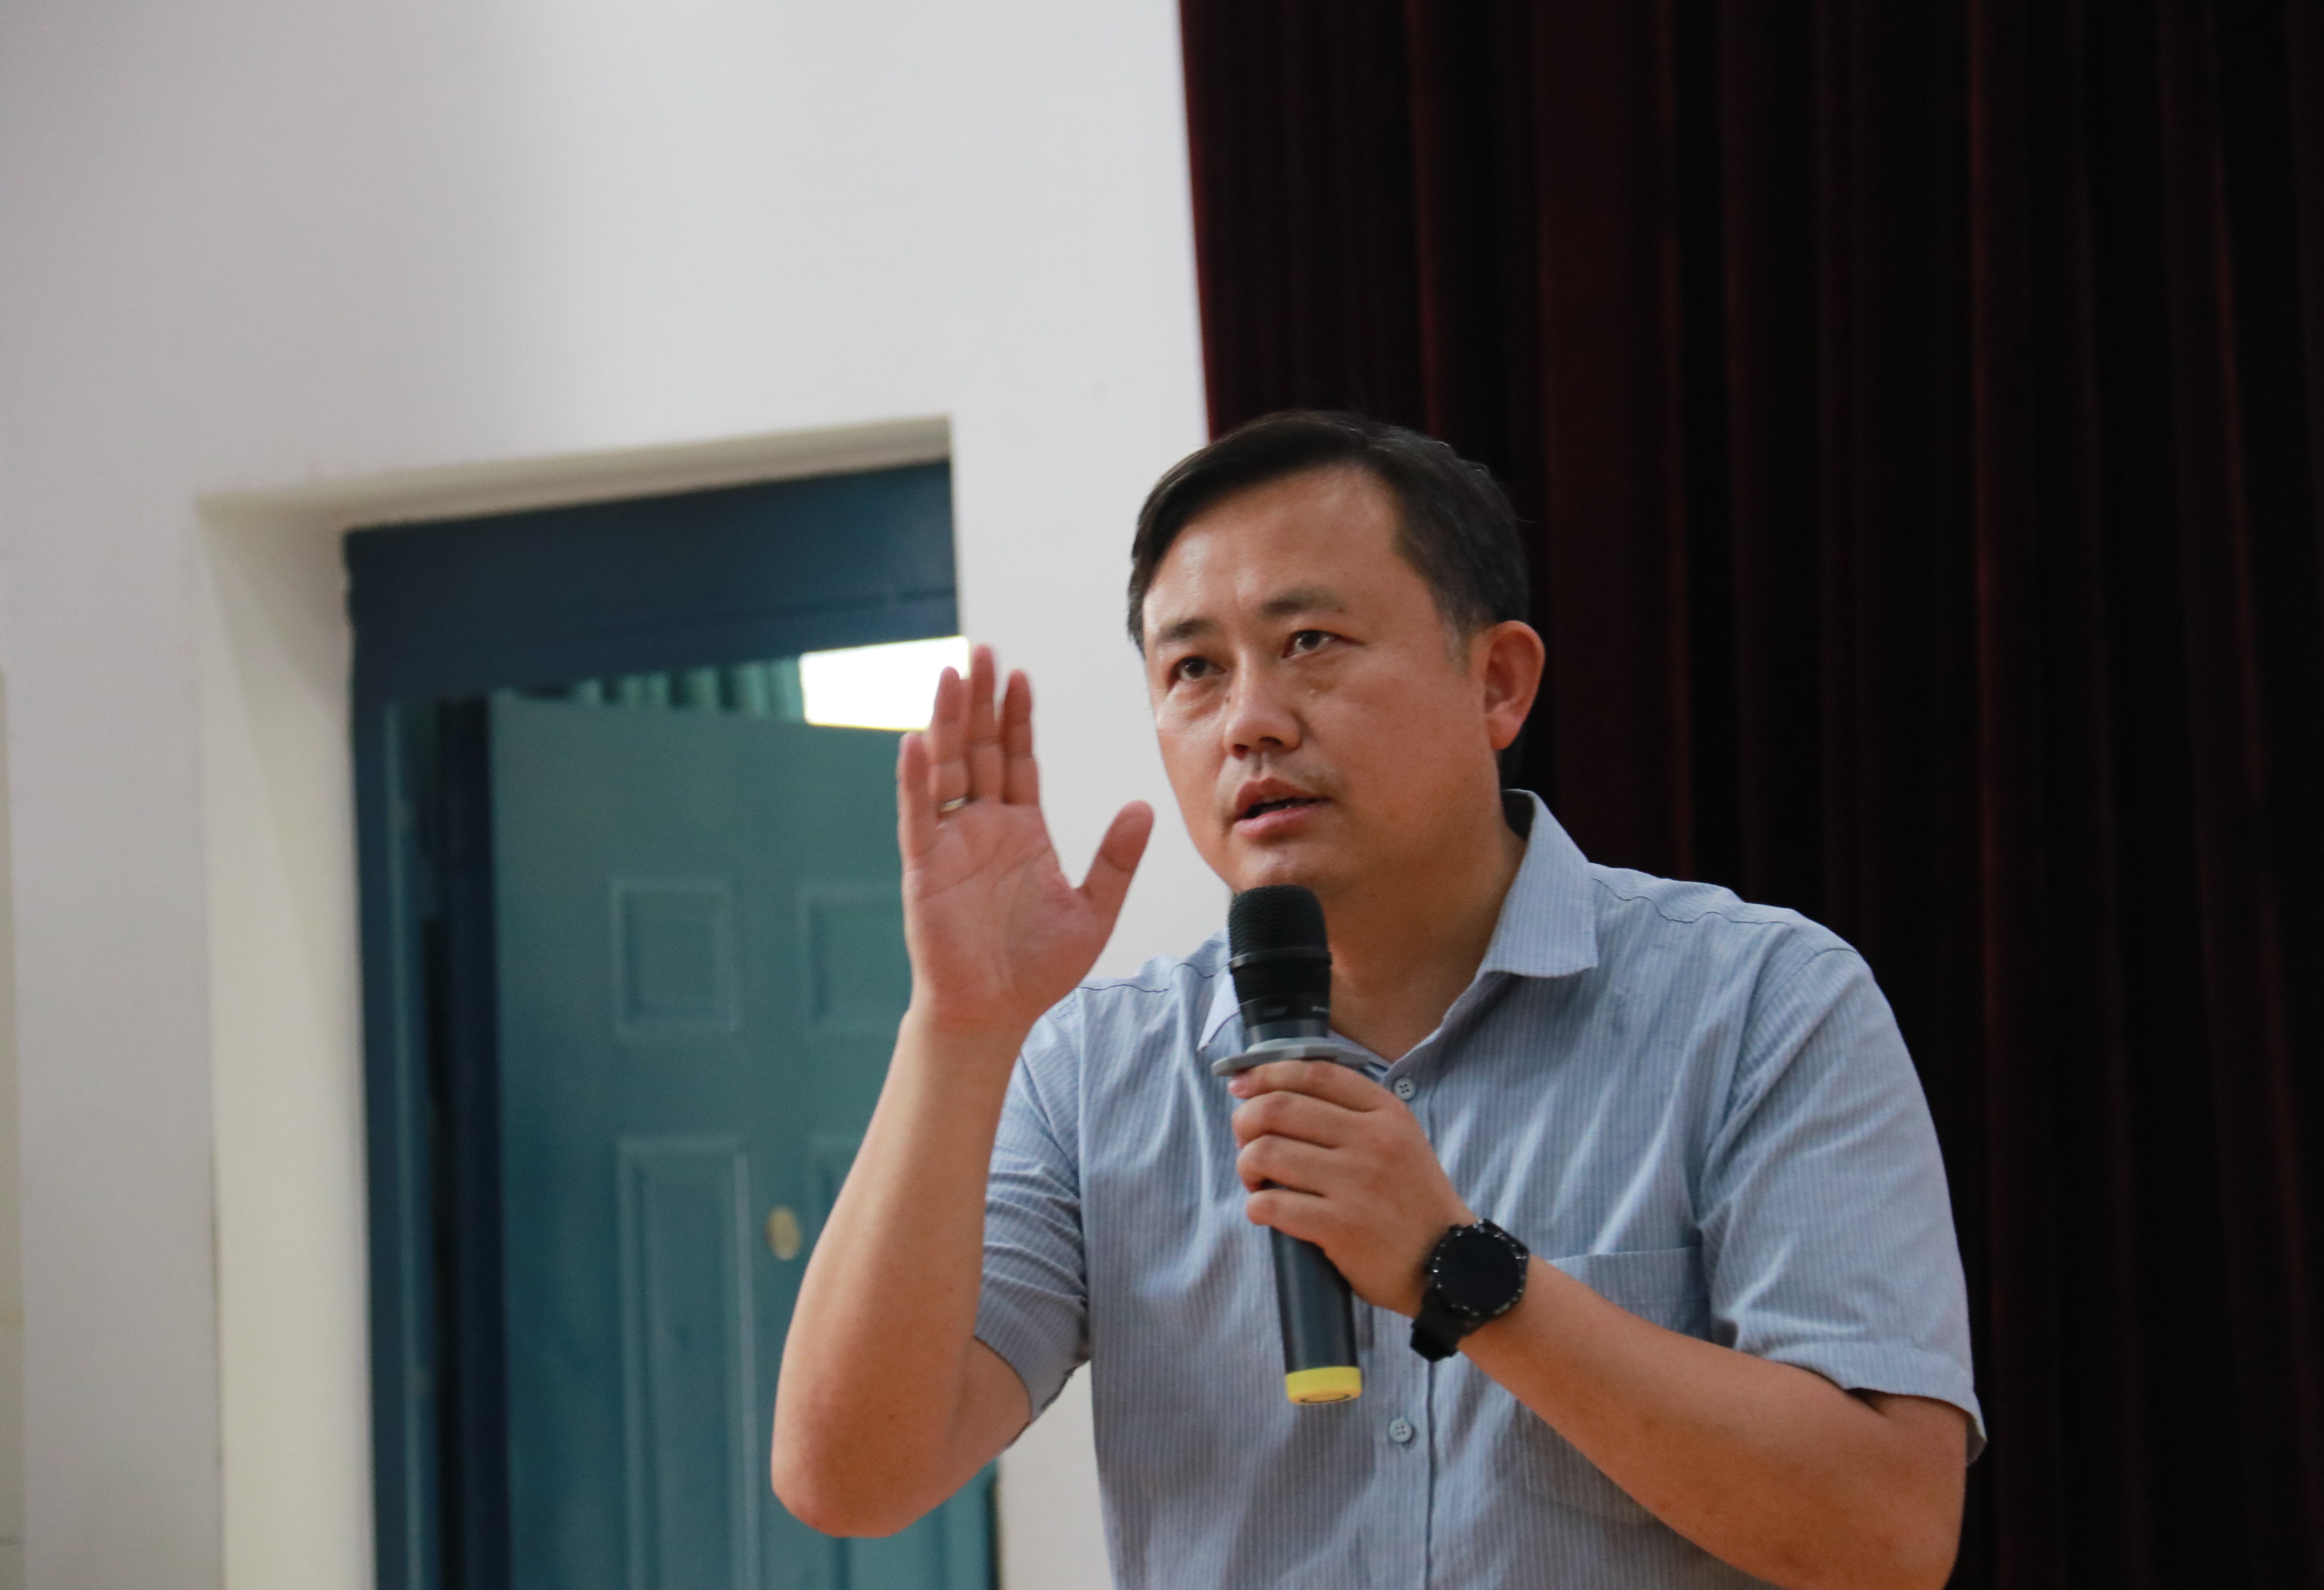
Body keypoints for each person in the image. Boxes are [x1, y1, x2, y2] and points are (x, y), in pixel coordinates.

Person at [773, 412, 1981, 1589]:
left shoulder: (1760, 1003)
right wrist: (959, 1031)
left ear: (1497, 682)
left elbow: (1887, 1537)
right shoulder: (1093, 1070)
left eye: (1310, 642)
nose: (1251, 722)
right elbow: (851, 1479)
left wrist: (1461, 1272)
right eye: (1195, 669)